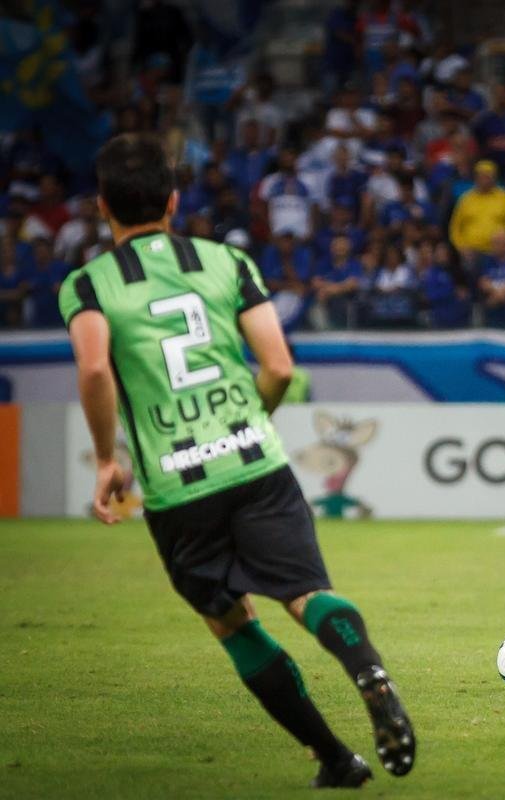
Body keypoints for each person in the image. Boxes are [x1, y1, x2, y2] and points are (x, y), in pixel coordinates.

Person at [58, 134, 415, 788]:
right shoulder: (227, 261)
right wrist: (247, 423)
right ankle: (368, 671)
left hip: (176, 488)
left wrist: (109, 460)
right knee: (307, 594)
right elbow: (278, 366)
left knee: (230, 621)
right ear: (173, 200)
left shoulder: (87, 285)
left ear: (102, 206)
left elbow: (92, 369)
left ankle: (336, 759)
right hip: (256, 465)